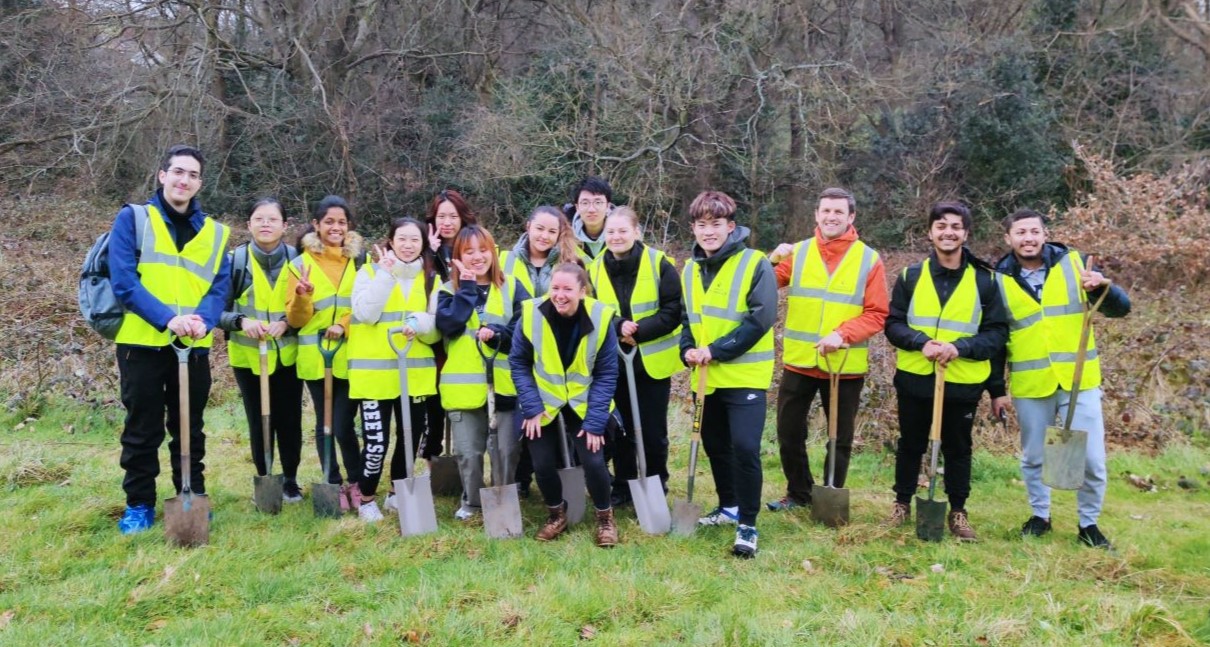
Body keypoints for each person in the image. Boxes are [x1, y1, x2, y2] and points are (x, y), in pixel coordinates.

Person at [988, 209, 1130, 548]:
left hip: (1078, 379)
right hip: (1031, 383)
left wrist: (1101, 289)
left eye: (1034, 231)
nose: (1028, 238)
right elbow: (996, 339)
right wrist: (996, 390)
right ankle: (1041, 516)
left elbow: (1120, 309)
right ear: (1008, 239)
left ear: (1045, 234)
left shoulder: (1075, 263)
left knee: (1092, 458)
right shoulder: (997, 279)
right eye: (1020, 233)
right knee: (1034, 456)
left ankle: (1089, 524)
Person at [109, 144, 231, 534]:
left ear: (200, 183)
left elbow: (219, 287)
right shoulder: (134, 219)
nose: (184, 180)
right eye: (178, 172)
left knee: (189, 427)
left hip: (192, 348)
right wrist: (168, 319)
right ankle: (139, 504)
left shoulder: (214, 233)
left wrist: (203, 321)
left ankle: (190, 495)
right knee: (143, 427)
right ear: (162, 175)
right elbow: (124, 281)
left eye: (193, 175)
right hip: (141, 344)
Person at [884, 201, 1008, 541]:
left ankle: (957, 511)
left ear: (965, 234)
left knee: (958, 447)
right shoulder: (911, 276)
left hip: (963, 383)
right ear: (930, 232)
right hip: (915, 379)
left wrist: (961, 348)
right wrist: (920, 342)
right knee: (910, 443)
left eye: (955, 226)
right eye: (941, 226)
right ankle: (901, 503)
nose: (948, 232)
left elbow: (997, 334)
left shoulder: (986, 281)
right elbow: (893, 324)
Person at [764, 188, 889, 512]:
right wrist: (772, 259)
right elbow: (759, 285)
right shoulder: (798, 253)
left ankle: (830, 497)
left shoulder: (868, 259)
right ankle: (798, 493)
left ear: (851, 217)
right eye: (826, 211)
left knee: (839, 437)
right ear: (816, 215)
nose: (831, 216)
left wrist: (842, 334)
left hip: (844, 364)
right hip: (799, 361)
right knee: (788, 432)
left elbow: (877, 313)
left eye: (838, 212)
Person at [679, 191, 778, 558]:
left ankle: (748, 524)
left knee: (746, 448)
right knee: (716, 446)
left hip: (745, 377)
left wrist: (716, 351)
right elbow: (688, 319)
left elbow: (761, 319)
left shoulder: (756, 264)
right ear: (694, 228)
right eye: (702, 225)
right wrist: (686, 348)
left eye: (716, 224)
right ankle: (728, 506)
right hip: (705, 378)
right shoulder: (690, 269)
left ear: (730, 227)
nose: (709, 232)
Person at [510, 263, 622, 546]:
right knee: (542, 461)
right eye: (555, 288)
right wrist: (532, 407)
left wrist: (596, 422)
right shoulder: (530, 314)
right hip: (543, 402)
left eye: (567, 289)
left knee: (593, 460)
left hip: (584, 401)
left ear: (582, 291)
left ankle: (605, 518)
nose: (559, 295)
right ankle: (555, 514)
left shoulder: (601, 317)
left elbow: (607, 373)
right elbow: (519, 363)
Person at [587, 207, 683, 506]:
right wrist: (617, 326)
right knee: (621, 429)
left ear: (636, 232)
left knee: (653, 433)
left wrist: (638, 333)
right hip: (613, 363)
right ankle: (624, 486)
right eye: (611, 232)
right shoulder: (594, 269)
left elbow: (674, 310)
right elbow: (591, 309)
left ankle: (656, 484)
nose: (616, 237)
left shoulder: (659, 264)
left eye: (622, 231)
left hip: (650, 364)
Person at [348, 217, 441, 522]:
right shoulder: (368, 273)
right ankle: (365, 498)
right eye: (401, 238)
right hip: (374, 377)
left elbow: (435, 326)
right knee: (376, 443)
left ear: (423, 244)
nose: (408, 245)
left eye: (415, 239)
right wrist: (385, 275)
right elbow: (365, 314)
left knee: (410, 439)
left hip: (412, 377)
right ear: (390, 241)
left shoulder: (430, 279)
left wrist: (420, 324)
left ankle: (396, 494)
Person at [435, 225, 530, 520]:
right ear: (457, 257)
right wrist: (466, 288)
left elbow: (525, 329)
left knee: (505, 453)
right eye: (469, 252)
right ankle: (472, 502)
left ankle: (502, 501)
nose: (478, 257)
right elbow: (447, 325)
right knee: (469, 453)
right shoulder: (447, 290)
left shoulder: (512, 286)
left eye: (483, 249)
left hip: (503, 387)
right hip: (463, 391)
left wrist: (498, 335)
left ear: (493, 252)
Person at [219, 198, 304, 504]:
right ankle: (266, 479)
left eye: (272, 219)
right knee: (259, 419)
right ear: (248, 224)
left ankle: (291, 480)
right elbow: (215, 310)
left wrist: (287, 324)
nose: (266, 224)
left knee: (290, 419)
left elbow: (310, 309)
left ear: (285, 225)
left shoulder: (299, 261)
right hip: (248, 358)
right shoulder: (234, 262)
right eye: (259, 219)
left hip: (288, 357)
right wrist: (241, 321)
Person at [286, 195, 365, 512]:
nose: (335, 227)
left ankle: (357, 482)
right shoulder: (299, 265)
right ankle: (332, 482)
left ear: (349, 227)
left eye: (341, 222)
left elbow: (367, 305)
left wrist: (343, 324)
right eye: (329, 221)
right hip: (316, 357)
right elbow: (295, 319)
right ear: (316, 225)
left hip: (353, 354)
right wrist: (303, 297)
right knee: (325, 424)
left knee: (345, 425)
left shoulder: (360, 262)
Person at [501, 205, 585, 297]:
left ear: (558, 234)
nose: (545, 236)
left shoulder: (570, 262)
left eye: (552, 231)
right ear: (528, 227)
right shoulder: (505, 260)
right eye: (540, 229)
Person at [425, 189, 478, 283]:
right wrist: (430, 252)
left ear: (462, 218)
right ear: (434, 218)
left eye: (453, 217)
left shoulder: (476, 246)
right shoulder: (422, 246)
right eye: (441, 216)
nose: (447, 223)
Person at [565, 176, 614, 260]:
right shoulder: (564, 235)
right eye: (585, 203)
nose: (591, 209)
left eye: (598, 202)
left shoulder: (623, 235)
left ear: (608, 206)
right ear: (577, 207)